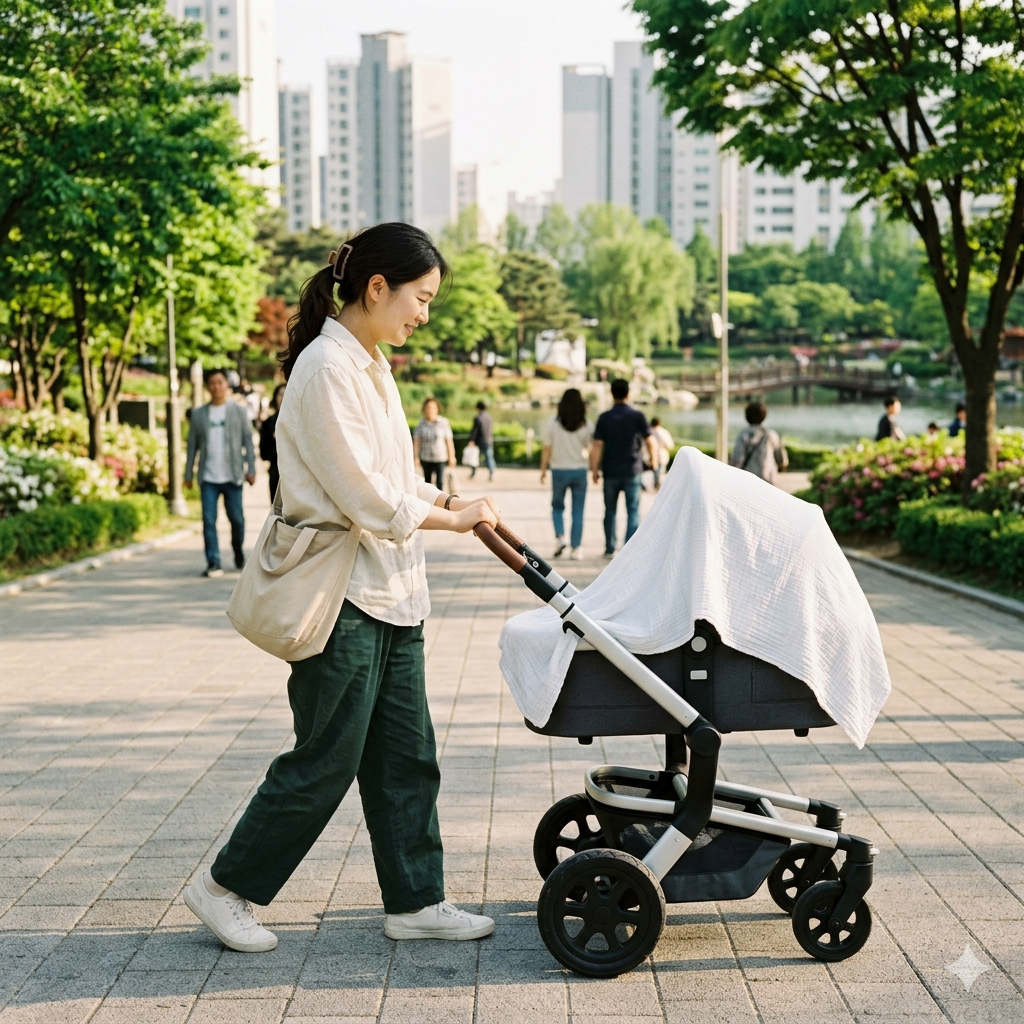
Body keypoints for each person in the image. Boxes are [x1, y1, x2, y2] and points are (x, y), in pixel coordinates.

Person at [181, 222, 500, 954]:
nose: (426, 314)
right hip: (344, 597)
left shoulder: (371, 364)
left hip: (393, 592)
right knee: (326, 758)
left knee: (408, 756)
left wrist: (449, 503)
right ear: (377, 287)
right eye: (420, 298)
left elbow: (395, 476)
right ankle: (225, 888)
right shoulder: (327, 369)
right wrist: (449, 522)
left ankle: (416, 900)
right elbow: (364, 495)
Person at [184, 368, 257, 578]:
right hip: (208, 477)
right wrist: (188, 474)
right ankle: (213, 561)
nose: (216, 387)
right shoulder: (199, 414)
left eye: (220, 382)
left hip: (233, 475)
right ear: (207, 387)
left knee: (237, 519)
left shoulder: (239, 411)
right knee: (208, 520)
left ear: (227, 385)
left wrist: (251, 469)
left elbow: (248, 443)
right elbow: (192, 447)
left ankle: (237, 548)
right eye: (212, 383)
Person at [590, 379, 657, 557]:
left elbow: (597, 445)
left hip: (610, 471)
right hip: (632, 470)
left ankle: (609, 547)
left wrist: (594, 469)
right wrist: (654, 460)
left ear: (612, 394)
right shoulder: (637, 416)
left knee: (610, 511)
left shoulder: (604, 417)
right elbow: (650, 441)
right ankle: (629, 550)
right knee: (633, 511)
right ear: (628, 393)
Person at [540, 388, 592, 560]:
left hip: (559, 470)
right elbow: (592, 449)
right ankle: (576, 548)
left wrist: (543, 470)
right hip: (579, 471)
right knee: (578, 511)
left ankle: (560, 538)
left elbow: (547, 448)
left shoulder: (553, 424)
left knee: (557, 507)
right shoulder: (586, 425)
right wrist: (595, 469)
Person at [730, 402, 789, 484]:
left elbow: (737, 461)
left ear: (746, 417)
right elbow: (782, 460)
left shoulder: (744, 435)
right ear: (764, 417)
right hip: (769, 480)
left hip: (748, 481)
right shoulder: (771, 435)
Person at [413, 397, 455, 489]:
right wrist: (416, 457)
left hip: (440, 457)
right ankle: (429, 502)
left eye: (432, 408)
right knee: (427, 482)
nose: (430, 410)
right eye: (428, 407)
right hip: (425, 458)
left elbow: (449, 440)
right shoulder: (421, 424)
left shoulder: (443, 422)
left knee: (440, 481)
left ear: (437, 409)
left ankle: (440, 503)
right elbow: (416, 442)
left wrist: (452, 456)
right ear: (424, 409)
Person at [259, 383, 286, 501]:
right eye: (280, 394)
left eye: (286, 394)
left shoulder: (301, 421)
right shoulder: (269, 422)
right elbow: (263, 453)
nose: (283, 398)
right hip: (276, 471)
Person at [468, 400, 496, 480]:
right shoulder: (489, 417)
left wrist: (471, 440)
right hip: (488, 440)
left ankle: (473, 473)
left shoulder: (478, 418)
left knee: (474, 458)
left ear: (478, 408)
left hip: (479, 442)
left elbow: (475, 431)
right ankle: (491, 473)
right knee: (489, 458)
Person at [649, 417, 674, 488]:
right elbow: (670, 445)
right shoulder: (663, 432)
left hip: (651, 454)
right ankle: (658, 485)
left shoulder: (648, 431)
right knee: (661, 471)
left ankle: (656, 483)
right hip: (661, 454)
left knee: (655, 471)